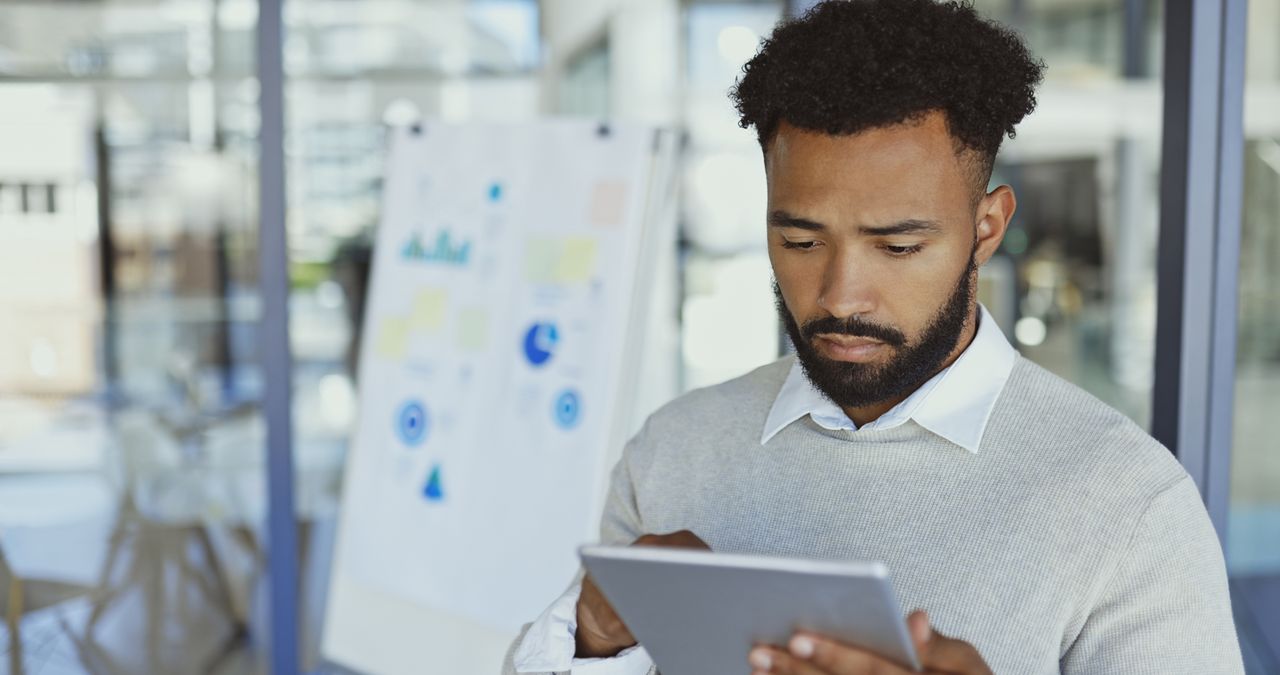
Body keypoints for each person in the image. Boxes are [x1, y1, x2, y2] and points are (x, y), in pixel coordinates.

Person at [504, 1, 1244, 673]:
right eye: (800, 241)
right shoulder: (671, 453)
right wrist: (592, 639)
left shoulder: (1129, 508)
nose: (839, 296)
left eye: (896, 247)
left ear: (986, 228)